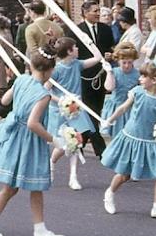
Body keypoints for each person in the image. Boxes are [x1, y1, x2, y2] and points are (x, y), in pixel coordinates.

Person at [0, 43, 64, 236]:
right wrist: (54, 139)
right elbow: (34, 123)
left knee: (35, 185)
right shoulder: (42, 94)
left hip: (12, 133)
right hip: (26, 140)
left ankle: (40, 229)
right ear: (50, 69)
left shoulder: (22, 80)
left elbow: (6, 101)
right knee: (11, 188)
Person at [100, 54, 156, 220]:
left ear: (154, 80)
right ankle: (109, 192)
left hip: (154, 141)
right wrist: (109, 120)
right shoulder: (137, 92)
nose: (140, 78)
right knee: (124, 174)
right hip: (133, 138)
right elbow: (123, 108)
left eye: (143, 76)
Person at [48, 36, 113, 190]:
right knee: (65, 145)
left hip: (76, 111)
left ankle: (73, 177)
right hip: (60, 111)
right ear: (69, 51)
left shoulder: (77, 64)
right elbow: (46, 90)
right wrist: (63, 102)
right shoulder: (56, 70)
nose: (78, 49)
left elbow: (98, 58)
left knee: (76, 141)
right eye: (75, 47)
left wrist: (90, 42)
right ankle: (51, 163)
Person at [71, 0, 115, 157]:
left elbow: (110, 47)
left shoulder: (106, 29)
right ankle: (100, 147)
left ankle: (79, 142)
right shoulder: (76, 30)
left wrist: (110, 54)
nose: (98, 14)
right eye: (95, 11)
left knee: (97, 109)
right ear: (85, 13)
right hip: (84, 77)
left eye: (99, 11)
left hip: (102, 75)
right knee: (89, 110)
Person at [100, 41, 141, 139]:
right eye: (124, 63)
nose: (127, 65)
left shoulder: (138, 74)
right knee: (115, 137)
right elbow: (109, 87)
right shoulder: (115, 72)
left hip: (130, 108)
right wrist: (109, 72)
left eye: (130, 62)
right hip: (115, 107)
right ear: (118, 61)